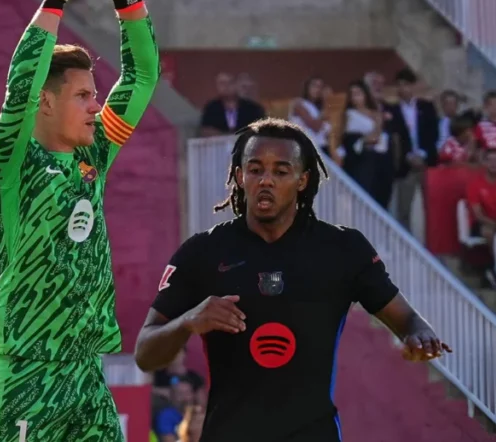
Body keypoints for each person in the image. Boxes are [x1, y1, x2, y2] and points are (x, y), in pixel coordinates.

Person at [134, 118, 452, 442]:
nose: (266, 180)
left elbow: (407, 319)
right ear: (240, 176)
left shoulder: (343, 249)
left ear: (303, 180)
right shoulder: (202, 252)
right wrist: (188, 320)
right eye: (255, 169)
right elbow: (145, 353)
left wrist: (420, 335)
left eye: (281, 171)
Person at [0, 0, 158, 442]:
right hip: (21, 370)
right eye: (83, 96)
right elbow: (18, 89)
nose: (97, 107)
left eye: (94, 96)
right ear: (45, 102)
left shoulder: (92, 157)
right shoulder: (9, 162)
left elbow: (143, 75)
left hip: (84, 372)